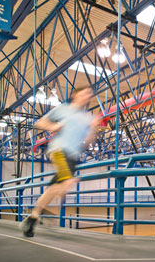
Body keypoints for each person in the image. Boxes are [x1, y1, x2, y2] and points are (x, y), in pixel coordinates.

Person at [21, 86, 99, 237]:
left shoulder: (87, 117)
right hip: (58, 150)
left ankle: (32, 218)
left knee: (54, 189)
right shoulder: (63, 109)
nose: (88, 96)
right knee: (67, 183)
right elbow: (40, 122)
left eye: (90, 94)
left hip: (73, 156)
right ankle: (36, 215)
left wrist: (93, 129)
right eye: (85, 93)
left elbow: (88, 142)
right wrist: (54, 126)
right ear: (75, 95)